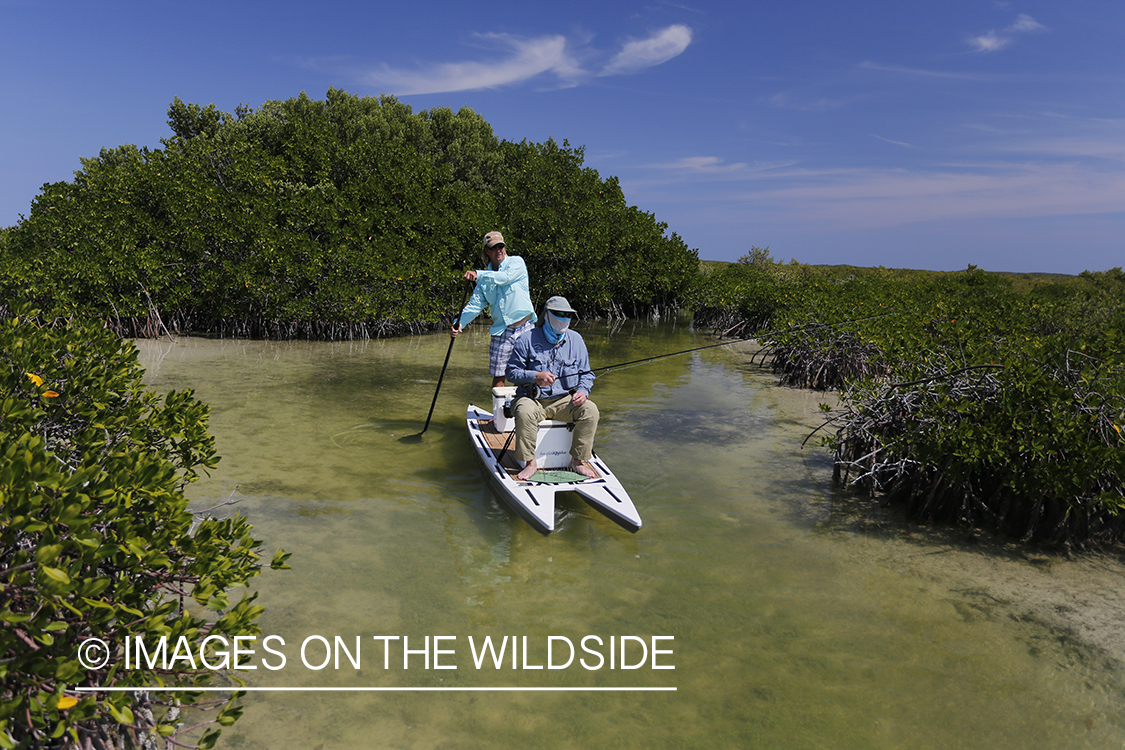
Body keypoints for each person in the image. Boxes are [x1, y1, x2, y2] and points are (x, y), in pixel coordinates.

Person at [505, 296, 599, 481]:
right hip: (532, 398)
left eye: (567, 314)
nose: (564, 317)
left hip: (564, 400)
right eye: (559, 314)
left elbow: (587, 374)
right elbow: (511, 372)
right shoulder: (526, 339)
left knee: (591, 410)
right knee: (524, 411)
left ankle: (577, 461)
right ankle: (530, 462)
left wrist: (583, 391)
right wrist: (534, 376)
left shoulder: (576, 340)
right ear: (547, 315)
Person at [451, 231, 536, 387]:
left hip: (526, 329)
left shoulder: (516, 263)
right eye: (493, 247)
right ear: (487, 251)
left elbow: (505, 278)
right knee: (498, 376)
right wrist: (459, 323)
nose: (498, 250)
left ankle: (526, 409)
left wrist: (478, 274)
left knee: (527, 374)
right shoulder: (483, 280)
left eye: (501, 246)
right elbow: (474, 305)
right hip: (501, 330)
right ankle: (500, 411)